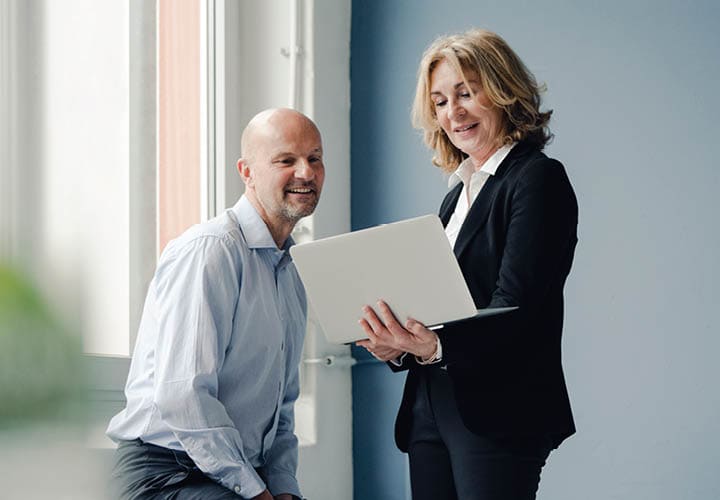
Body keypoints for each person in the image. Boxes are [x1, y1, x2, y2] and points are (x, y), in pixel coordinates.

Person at [357, 29, 578, 500]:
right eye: (439, 101)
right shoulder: (457, 195)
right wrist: (398, 344)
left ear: (502, 91)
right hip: (431, 405)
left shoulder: (537, 180)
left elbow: (515, 306)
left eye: (465, 93)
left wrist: (435, 346)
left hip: (499, 409)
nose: (452, 113)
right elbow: (442, 304)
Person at [107, 108, 325, 500]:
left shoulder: (292, 274)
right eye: (285, 160)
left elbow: (282, 408)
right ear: (247, 172)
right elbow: (182, 395)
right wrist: (256, 493)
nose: (306, 173)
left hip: (233, 471)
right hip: (165, 472)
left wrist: (284, 490)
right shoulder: (210, 251)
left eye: (314, 158)